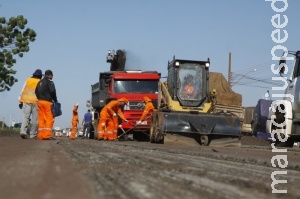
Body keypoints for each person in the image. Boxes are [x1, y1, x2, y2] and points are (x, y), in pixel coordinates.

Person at [18, 69, 43, 139]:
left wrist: (20, 101)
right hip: (36, 102)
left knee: (26, 117)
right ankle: (33, 134)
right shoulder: (40, 82)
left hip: (26, 100)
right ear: (40, 76)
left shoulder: (28, 80)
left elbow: (22, 90)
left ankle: (23, 131)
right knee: (35, 119)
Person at [35, 70, 58, 140]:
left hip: (40, 102)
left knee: (41, 119)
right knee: (49, 118)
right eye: (52, 75)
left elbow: (36, 92)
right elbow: (52, 91)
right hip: (48, 102)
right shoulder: (50, 82)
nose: (52, 77)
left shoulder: (39, 82)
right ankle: (47, 135)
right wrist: (55, 100)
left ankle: (41, 135)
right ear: (49, 75)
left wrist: (39, 98)